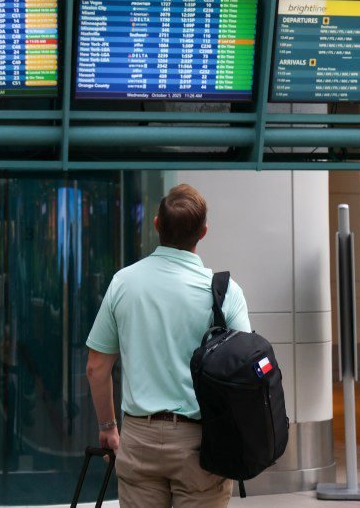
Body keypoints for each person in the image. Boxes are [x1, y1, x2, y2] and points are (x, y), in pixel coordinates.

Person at [85, 184, 251, 508]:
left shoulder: (124, 282)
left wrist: (107, 427)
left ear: (157, 223)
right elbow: (243, 372)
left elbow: (96, 367)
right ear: (203, 232)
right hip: (202, 443)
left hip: (138, 438)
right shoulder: (225, 292)